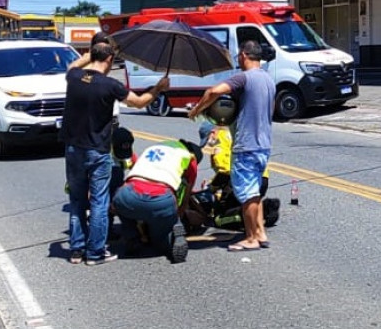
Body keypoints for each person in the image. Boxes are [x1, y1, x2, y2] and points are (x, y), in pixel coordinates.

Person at [62, 41, 167, 265]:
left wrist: (92, 54)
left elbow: (73, 64)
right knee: (100, 201)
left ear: (93, 56)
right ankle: (95, 252)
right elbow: (139, 103)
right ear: (109, 60)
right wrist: (158, 88)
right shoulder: (110, 85)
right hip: (97, 150)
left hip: (73, 148)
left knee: (77, 201)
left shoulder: (74, 76)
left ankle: (77, 250)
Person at [186, 40, 275, 252]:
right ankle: (260, 233)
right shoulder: (268, 79)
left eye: (239, 57)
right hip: (264, 144)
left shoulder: (244, 77)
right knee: (254, 192)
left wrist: (197, 110)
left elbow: (213, 91)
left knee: (245, 194)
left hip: (246, 145)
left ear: (244, 55)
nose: (238, 60)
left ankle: (251, 237)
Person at [112, 139, 201, 264]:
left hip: (128, 196)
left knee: (121, 203)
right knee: (159, 242)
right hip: (161, 200)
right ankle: (175, 233)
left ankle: (131, 236)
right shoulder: (190, 158)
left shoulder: (153, 148)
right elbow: (186, 193)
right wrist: (178, 215)